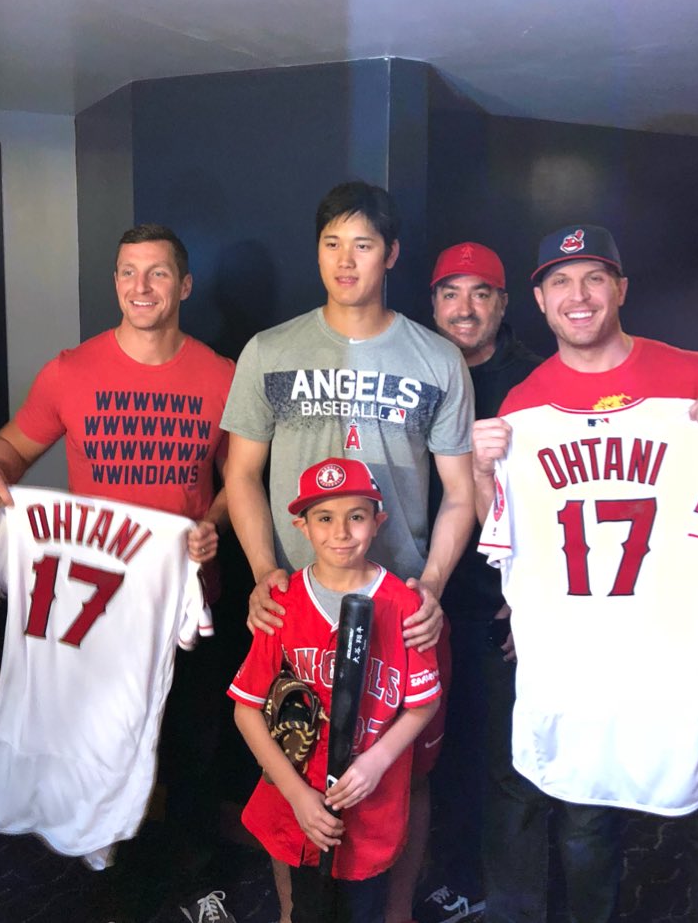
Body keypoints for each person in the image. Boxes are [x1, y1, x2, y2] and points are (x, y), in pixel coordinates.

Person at [473, 224, 698, 923]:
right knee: (584, 828)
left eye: (594, 278)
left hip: (681, 646)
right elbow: (505, 531)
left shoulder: (694, 377)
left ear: (621, 289)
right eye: (561, 282)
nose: (579, 296)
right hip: (580, 654)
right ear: (541, 301)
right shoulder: (524, 405)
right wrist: (488, 470)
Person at [221, 182, 475, 923]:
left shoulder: (435, 359)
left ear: (390, 254)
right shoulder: (271, 350)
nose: (345, 259)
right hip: (300, 599)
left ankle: (395, 913)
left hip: (397, 601)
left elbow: (460, 490)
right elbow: (240, 473)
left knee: (406, 771)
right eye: (332, 242)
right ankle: (294, 912)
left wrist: (429, 583)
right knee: (290, 763)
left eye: (363, 244)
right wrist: (266, 570)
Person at [0, 223, 235, 873]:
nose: (141, 287)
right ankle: (125, 880)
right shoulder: (71, 370)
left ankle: (196, 875)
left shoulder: (222, 375)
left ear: (185, 284)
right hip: (98, 606)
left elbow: (239, 480)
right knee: (102, 744)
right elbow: (10, 448)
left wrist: (215, 522)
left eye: (158, 272)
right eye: (127, 272)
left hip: (184, 596)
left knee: (190, 747)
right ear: (114, 282)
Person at [229, 457, 442, 923]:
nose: (341, 532)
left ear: (377, 521)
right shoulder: (282, 603)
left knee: (362, 909)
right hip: (300, 805)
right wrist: (296, 794)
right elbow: (246, 711)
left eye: (356, 516)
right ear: (301, 527)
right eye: (324, 518)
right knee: (307, 909)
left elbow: (424, 704)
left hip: (370, 802)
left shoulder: (403, 603)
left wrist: (376, 761)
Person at [427, 242, 545, 922]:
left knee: (507, 761)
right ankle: (461, 876)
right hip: (433, 595)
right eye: (450, 293)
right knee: (443, 754)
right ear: (434, 303)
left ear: (503, 305)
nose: (464, 308)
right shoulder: (418, 370)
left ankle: (511, 897)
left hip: (506, 605)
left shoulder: (538, 380)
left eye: (481, 293)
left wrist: (530, 600)